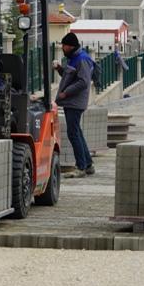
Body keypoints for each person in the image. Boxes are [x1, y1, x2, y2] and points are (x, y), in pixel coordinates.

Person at [53, 32, 95, 178]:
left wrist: (66, 93)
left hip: (74, 102)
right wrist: (60, 69)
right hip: (71, 101)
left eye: (64, 46)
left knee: (73, 133)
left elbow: (83, 82)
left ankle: (81, 166)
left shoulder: (81, 59)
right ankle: (88, 164)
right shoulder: (73, 59)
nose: (62, 48)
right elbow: (70, 76)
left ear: (70, 46)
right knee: (77, 132)